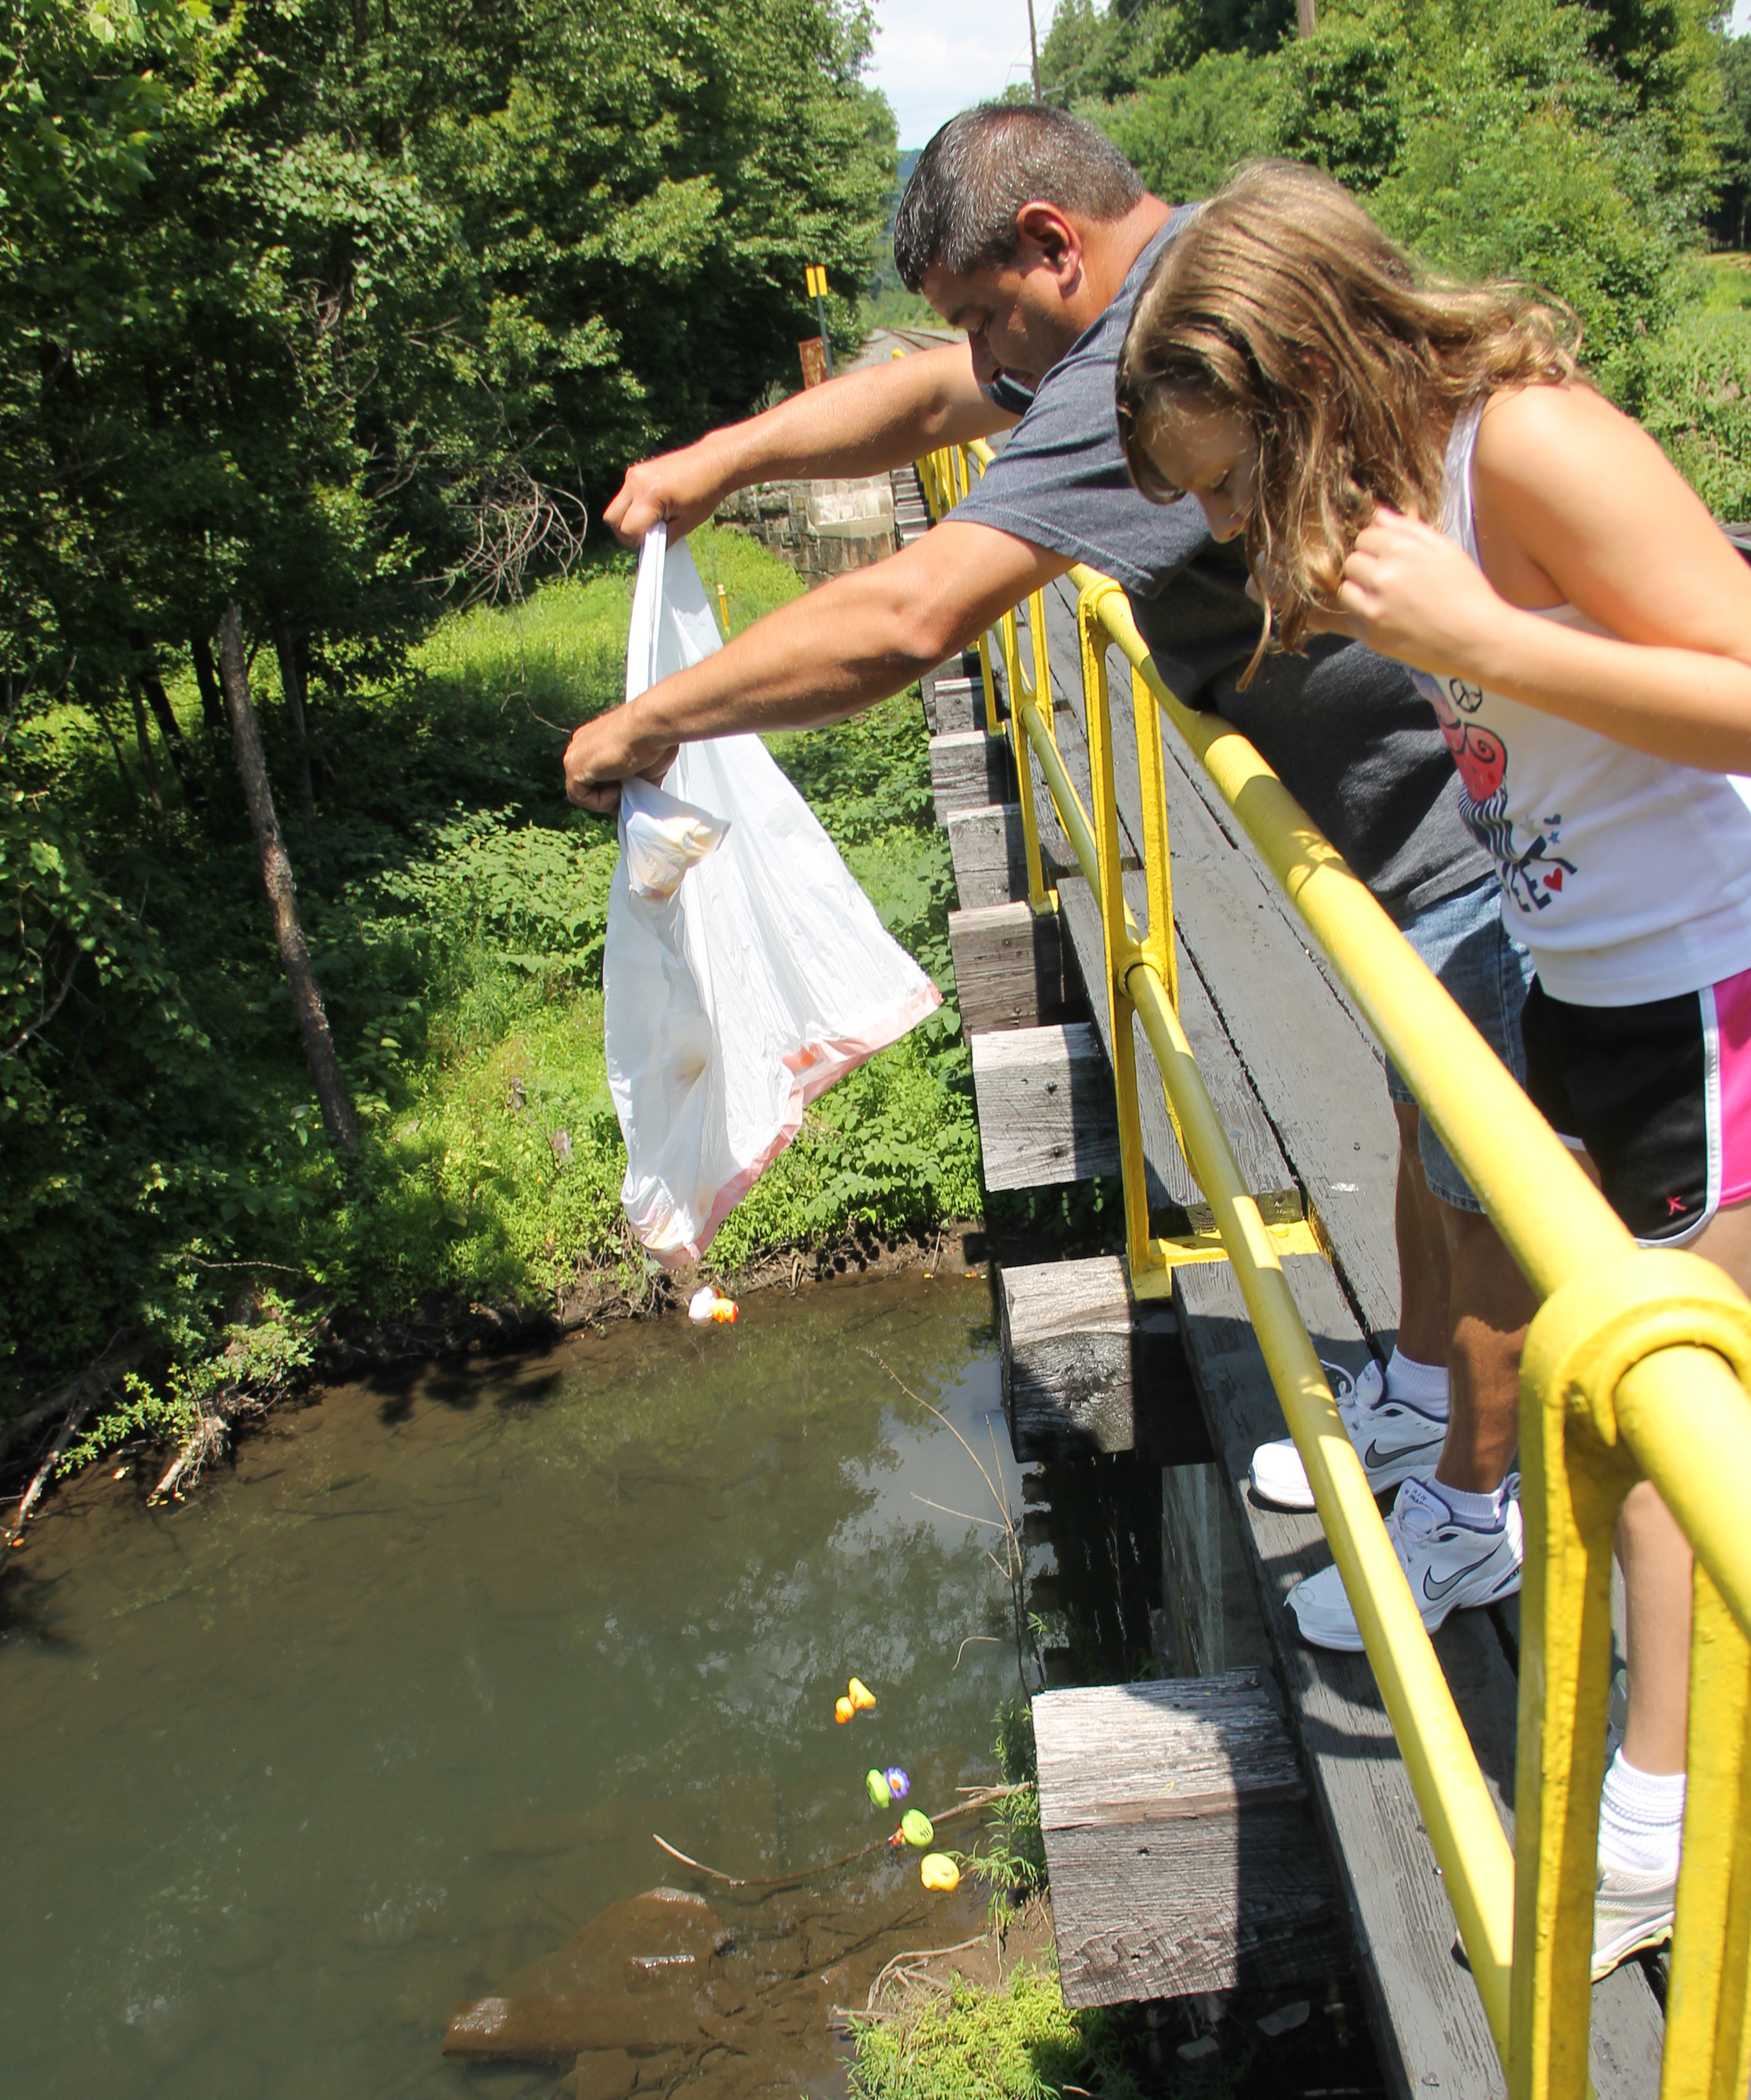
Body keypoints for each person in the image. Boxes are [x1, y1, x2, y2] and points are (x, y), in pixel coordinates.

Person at [563, 105, 1535, 1645]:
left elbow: (909, 617)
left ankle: (1471, 1517)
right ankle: (1418, 1402)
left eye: (978, 311)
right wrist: (720, 461)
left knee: (1488, 1191)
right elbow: (927, 399)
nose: (976, 360)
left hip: (1482, 832)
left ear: (1048, 244)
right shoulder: (1155, 287)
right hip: (1419, 837)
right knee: (1424, 1127)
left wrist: (650, 722)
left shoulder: (1142, 350)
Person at [1114, 156, 1751, 1974]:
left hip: (1709, 989)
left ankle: (1659, 1826)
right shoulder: (1395, 495)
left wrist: (1477, 641)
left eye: (1229, 482)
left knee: (1670, 1421)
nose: (1227, 527)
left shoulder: (1527, 445)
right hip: (1590, 990)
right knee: (1612, 1393)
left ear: (1308, 377)